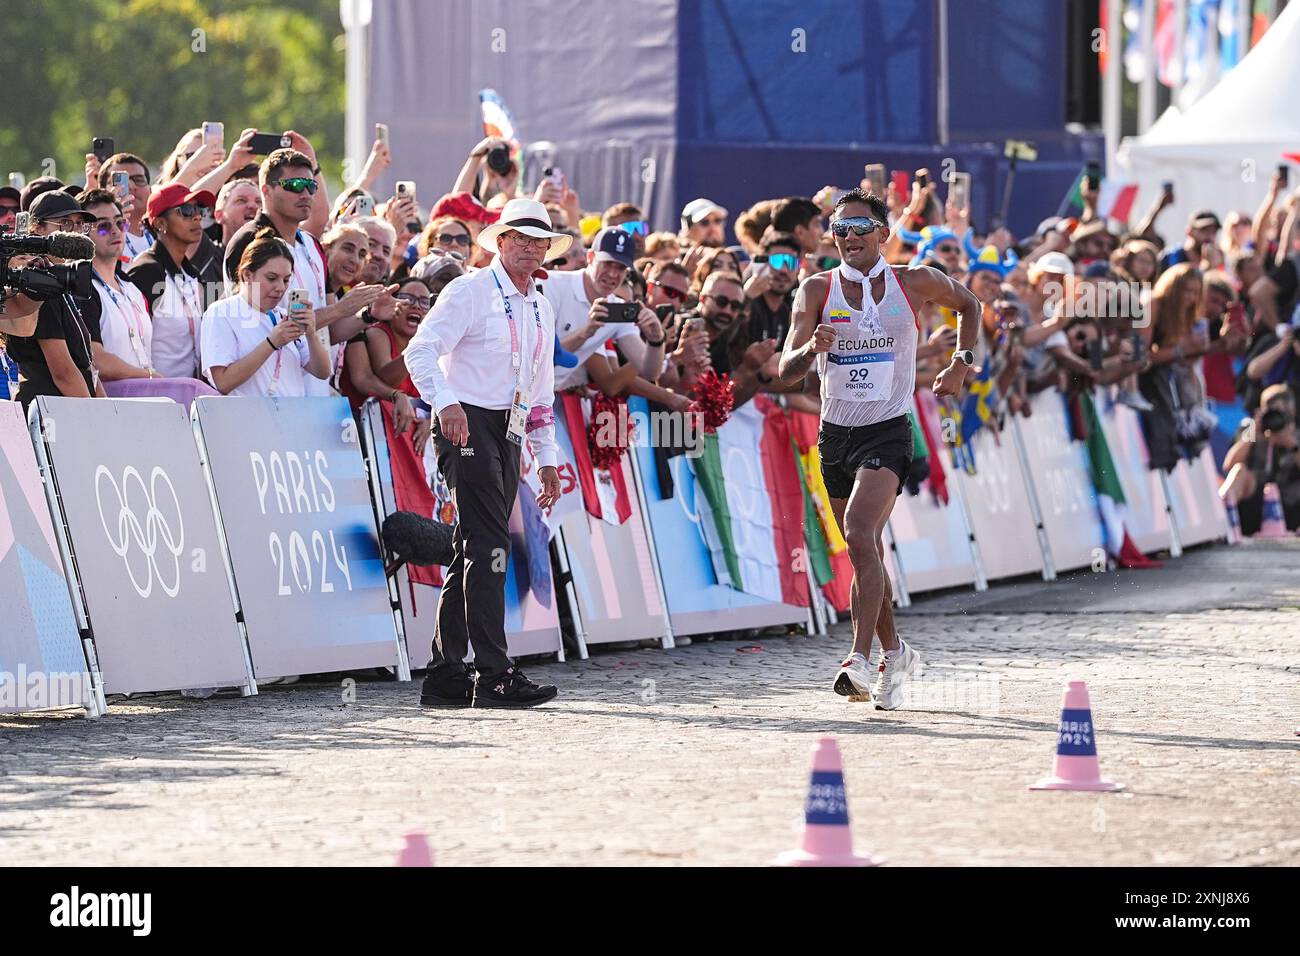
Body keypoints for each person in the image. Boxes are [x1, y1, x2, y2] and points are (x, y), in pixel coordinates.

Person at [777, 188, 981, 710]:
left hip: (889, 430)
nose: (849, 238)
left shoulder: (913, 280)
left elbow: (970, 306)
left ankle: (859, 658)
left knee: (860, 534)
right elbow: (785, 372)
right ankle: (895, 652)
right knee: (864, 551)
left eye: (859, 228)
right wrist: (810, 348)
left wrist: (961, 362)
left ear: (883, 235)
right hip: (835, 434)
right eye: (839, 230)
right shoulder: (815, 289)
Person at [403, 198, 564, 709]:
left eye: (539, 240)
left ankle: (447, 673)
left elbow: (541, 394)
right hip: (467, 421)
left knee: (471, 549)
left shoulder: (541, 303)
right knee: (489, 545)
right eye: (520, 238)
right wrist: (446, 404)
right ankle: (493, 672)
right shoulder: (469, 290)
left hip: (508, 427)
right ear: (499, 241)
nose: (529, 248)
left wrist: (548, 459)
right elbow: (419, 350)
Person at [225, 148, 386, 394]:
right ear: (266, 191)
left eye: (311, 186)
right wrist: (339, 309)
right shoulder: (249, 240)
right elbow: (261, 325)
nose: (305, 194)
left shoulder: (310, 243)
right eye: (295, 185)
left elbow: (327, 332)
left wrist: (366, 314)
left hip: (313, 393)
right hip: (264, 393)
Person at [201, 228, 330, 397]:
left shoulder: (282, 315)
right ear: (247, 275)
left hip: (291, 419)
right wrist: (271, 343)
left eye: (285, 280)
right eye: (271, 278)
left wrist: (311, 334)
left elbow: (322, 372)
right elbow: (223, 382)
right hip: (248, 420)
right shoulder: (221, 312)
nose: (281, 288)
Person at [2, 191, 103, 407]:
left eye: (79, 224)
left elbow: (87, 366)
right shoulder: (37, 283)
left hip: (74, 411)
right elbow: (64, 373)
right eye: (65, 223)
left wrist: (108, 412)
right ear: (37, 229)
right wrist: (98, 418)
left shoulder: (63, 281)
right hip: (51, 414)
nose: (75, 232)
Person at [546, 227, 665, 391]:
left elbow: (650, 372)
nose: (613, 274)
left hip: (546, 396)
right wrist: (585, 332)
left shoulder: (618, 310)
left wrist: (656, 340)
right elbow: (538, 357)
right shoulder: (552, 284)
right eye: (607, 264)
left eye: (621, 268)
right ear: (590, 257)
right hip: (513, 389)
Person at [125, 183, 212, 379]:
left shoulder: (193, 274)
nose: (197, 216)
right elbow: (132, 341)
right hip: (155, 397)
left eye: (199, 210)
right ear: (160, 224)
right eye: (186, 211)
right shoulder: (147, 270)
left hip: (190, 396)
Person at [77, 189, 156, 381]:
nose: (115, 230)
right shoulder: (81, 289)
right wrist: (150, 377)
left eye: (120, 223)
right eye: (103, 226)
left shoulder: (132, 288)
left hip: (147, 401)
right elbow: (96, 360)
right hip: (110, 405)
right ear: (82, 232)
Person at [1220, 384, 1300, 535]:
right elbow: (1228, 464)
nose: (1276, 418)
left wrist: (1292, 445)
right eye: (1272, 412)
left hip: (1290, 505)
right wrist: (1253, 432)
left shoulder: (1297, 436)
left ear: (1293, 411)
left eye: (1281, 413)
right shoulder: (1250, 431)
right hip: (1254, 501)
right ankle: (1221, 517)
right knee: (1240, 470)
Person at [744, 231, 801, 344]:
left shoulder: (789, 311)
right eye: (777, 261)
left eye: (791, 262)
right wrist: (746, 298)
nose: (784, 270)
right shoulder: (747, 305)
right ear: (762, 263)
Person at [96, 153, 154, 261]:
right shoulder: (97, 234)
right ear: (102, 192)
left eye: (139, 179)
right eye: (120, 181)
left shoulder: (162, 231)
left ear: (150, 189)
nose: (131, 186)